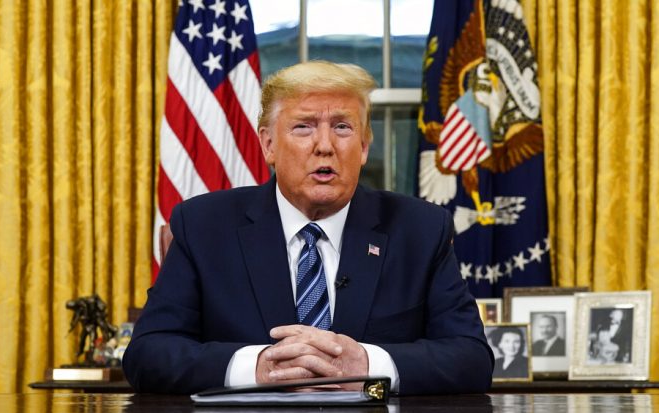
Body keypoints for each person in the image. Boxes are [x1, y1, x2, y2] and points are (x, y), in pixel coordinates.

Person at [122, 60, 494, 395]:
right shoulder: (203, 226)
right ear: (268, 144)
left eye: (343, 127)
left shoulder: (420, 229)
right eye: (303, 127)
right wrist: (258, 367)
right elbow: (148, 354)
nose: (325, 146)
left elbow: (472, 358)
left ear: (364, 146)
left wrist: (366, 365)